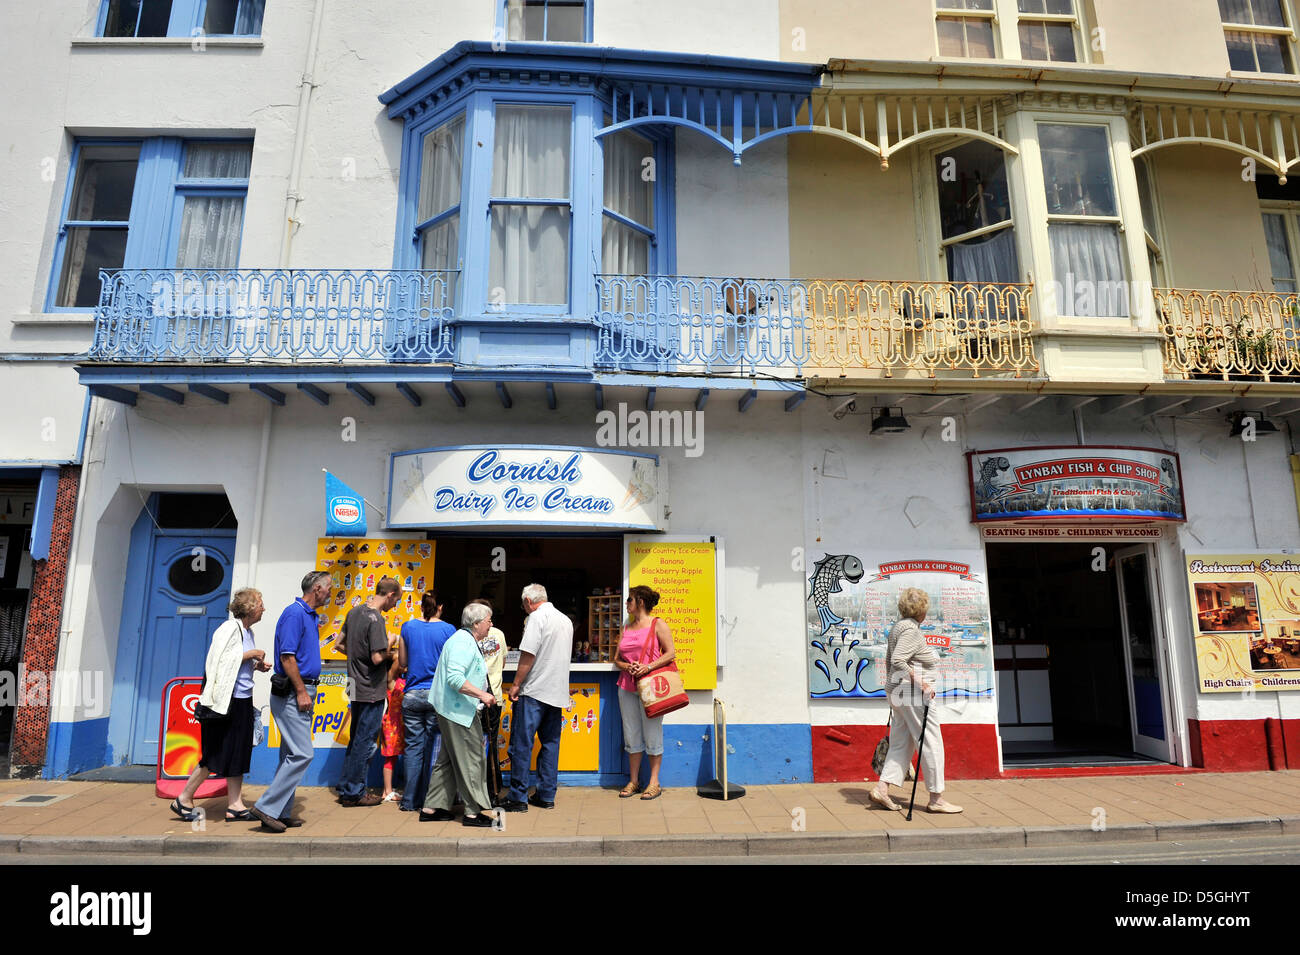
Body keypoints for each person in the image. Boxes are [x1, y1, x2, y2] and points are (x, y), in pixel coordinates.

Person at [170, 588, 272, 822]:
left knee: (238, 752)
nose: (263, 608)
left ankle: (235, 805)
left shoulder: (248, 632)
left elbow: (235, 668)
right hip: (224, 704)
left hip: (242, 701)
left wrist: (256, 665)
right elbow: (219, 661)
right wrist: (251, 654)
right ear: (249, 607)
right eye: (260, 604)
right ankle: (183, 798)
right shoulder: (229, 628)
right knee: (215, 753)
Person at [250, 570, 332, 833]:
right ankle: (267, 807)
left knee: (289, 754)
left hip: (301, 691)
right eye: (329, 587)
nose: (331, 591)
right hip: (293, 694)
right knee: (303, 753)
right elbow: (287, 658)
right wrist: (301, 691)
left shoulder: (308, 615)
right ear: (317, 588)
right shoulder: (295, 614)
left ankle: (281, 812)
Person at [869, 587, 963, 814]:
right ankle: (936, 798)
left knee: (901, 744)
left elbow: (893, 660)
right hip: (912, 695)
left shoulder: (898, 628)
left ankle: (882, 788)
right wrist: (922, 683)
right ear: (921, 611)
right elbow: (900, 660)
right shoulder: (910, 631)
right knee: (931, 742)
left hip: (899, 694)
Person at [420, 603, 499, 827]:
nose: (491, 625)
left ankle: (432, 808)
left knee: (447, 760)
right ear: (476, 624)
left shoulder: (463, 640)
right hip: (458, 711)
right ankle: (475, 811)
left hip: (452, 709)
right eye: (488, 621)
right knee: (473, 758)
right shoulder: (463, 642)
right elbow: (454, 678)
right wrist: (482, 695)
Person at [503, 583, 573, 812]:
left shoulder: (536, 618)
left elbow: (528, 654)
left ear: (528, 602)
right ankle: (546, 795)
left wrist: (515, 685)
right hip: (557, 692)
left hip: (534, 692)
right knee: (550, 745)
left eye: (524, 605)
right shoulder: (565, 620)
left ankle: (518, 797)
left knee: (522, 745)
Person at [336, 577, 400, 807]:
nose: (395, 606)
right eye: (397, 600)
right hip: (371, 687)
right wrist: (391, 647)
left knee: (355, 738)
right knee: (365, 741)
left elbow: (339, 645)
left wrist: (356, 657)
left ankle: (345, 786)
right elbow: (376, 658)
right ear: (390, 594)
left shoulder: (354, 613)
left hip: (353, 684)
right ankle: (355, 792)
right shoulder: (376, 619)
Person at [613, 585, 675, 801]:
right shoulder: (626, 627)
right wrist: (626, 666)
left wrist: (648, 667)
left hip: (651, 687)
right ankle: (634, 781)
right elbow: (617, 658)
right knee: (631, 733)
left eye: (629, 600)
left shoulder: (658, 624)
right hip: (627, 686)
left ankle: (654, 782)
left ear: (640, 602)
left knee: (652, 732)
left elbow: (670, 653)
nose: (626, 604)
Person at [398, 589, 455, 812]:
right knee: (434, 749)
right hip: (437, 695)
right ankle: (431, 801)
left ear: (421, 606)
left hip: (412, 695)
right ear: (440, 607)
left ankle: (409, 801)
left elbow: (402, 662)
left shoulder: (408, 627)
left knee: (413, 748)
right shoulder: (449, 630)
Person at [470, 598, 506, 805]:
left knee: (475, 744)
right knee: (491, 744)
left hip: (474, 697)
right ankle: (494, 790)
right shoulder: (499, 634)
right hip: (494, 696)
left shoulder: (466, 636)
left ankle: (477, 790)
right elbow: (501, 663)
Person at [379, 636, 406, 803]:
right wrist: (396, 643)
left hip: (401, 724)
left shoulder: (403, 680)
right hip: (392, 724)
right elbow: (396, 661)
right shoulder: (391, 680)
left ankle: (388, 789)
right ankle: (386, 791)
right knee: (390, 757)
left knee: (396, 756)